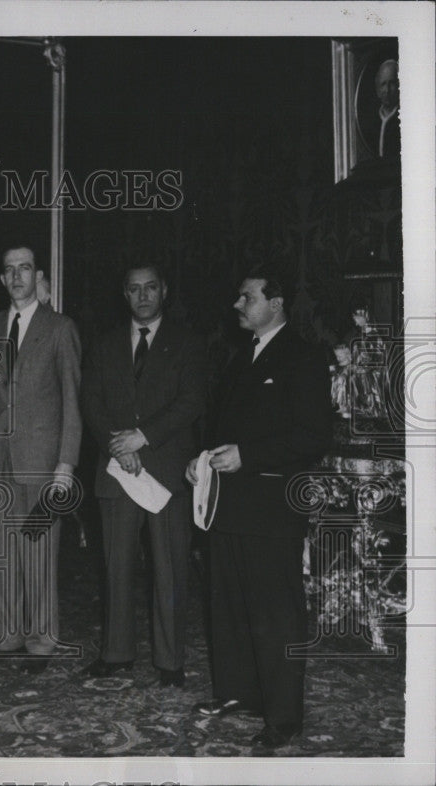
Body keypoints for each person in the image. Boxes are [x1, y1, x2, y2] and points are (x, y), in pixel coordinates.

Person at [187, 265, 332, 749]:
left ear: (276, 303)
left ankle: (285, 717)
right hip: (229, 506)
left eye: (246, 297)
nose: (237, 305)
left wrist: (247, 456)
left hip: (272, 510)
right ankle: (239, 694)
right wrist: (202, 459)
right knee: (228, 607)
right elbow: (221, 425)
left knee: (275, 613)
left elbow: (313, 436)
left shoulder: (305, 357)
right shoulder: (240, 358)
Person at [80, 263, 206, 687]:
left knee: (169, 568)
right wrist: (118, 445)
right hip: (116, 470)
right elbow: (91, 402)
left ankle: (170, 661)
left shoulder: (187, 343)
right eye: (134, 290)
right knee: (116, 566)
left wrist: (143, 438)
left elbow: (192, 401)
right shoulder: (103, 344)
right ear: (125, 294)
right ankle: (116, 653)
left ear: (164, 290)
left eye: (151, 287)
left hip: (167, 471)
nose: (143, 296)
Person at [0, 245, 81, 671]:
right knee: (2, 549)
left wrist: (66, 465)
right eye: (9, 270)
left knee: (38, 549)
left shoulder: (60, 328)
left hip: (43, 460)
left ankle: (40, 638)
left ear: (38, 275)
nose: (17, 276)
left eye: (25, 268)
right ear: (2, 279)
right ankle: (9, 633)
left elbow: (73, 401)